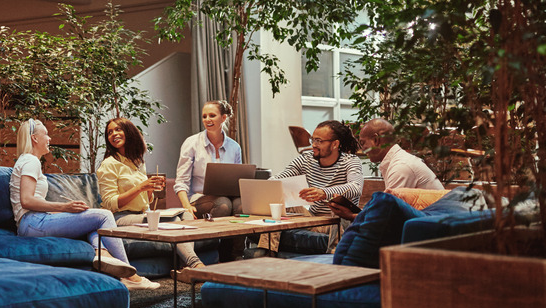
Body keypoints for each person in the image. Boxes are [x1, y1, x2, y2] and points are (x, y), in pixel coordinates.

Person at [10, 118, 159, 290]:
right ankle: (131, 276)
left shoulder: (28, 160)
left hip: (35, 222)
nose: (49, 138)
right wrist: (64, 207)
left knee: (90, 219)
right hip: (32, 224)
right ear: (35, 138)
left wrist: (68, 211)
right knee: (104, 215)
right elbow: (27, 200)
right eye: (46, 134)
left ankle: (101, 252)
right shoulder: (31, 161)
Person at [97, 117, 205, 281]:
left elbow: (146, 201)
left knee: (187, 215)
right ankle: (196, 265)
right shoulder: (109, 164)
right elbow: (110, 203)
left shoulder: (138, 162)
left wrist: (150, 188)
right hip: (120, 217)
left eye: (118, 129)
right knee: (171, 220)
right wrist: (141, 186)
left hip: (141, 213)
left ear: (129, 132)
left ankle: (184, 269)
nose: (114, 134)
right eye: (110, 132)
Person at [254, 120, 364, 255]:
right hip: (313, 218)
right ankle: (266, 252)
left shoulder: (351, 161)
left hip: (336, 220)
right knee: (279, 197)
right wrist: (268, 185)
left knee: (338, 207)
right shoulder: (306, 159)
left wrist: (324, 193)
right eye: (313, 139)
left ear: (335, 144)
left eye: (319, 141)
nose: (313, 145)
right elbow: (278, 178)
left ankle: (334, 256)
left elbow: (355, 187)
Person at [329, 118, 443, 221]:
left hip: (434, 231)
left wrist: (351, 216)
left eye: (363, 143)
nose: (362, 149)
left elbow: (387, 214)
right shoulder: (397, 162)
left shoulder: (401, 166)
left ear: (376, 140)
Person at [174, 101, 243, 220]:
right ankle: (212, 238)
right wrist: (186, 207)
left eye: (212, 115)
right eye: (204, 116)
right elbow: (181, 182)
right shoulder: (191, 143)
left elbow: (238, 181)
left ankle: (232, 239)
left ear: (223, 118)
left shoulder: (235, 147)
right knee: (223, 204)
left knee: (241, 205)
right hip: (199, 199)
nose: (207, 119)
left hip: (228, 197)